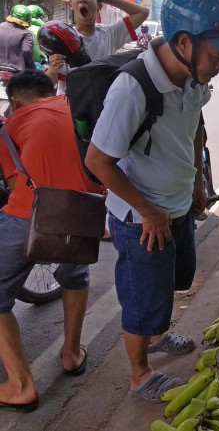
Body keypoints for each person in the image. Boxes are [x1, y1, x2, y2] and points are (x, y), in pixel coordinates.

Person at [84, 0, 219, 402]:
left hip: (177, 206)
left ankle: (158, 336)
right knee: (143, 298)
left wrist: (197, 182)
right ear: (184, 43)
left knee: (172, 282)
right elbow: (97, 161)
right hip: (140, 218)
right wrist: (148, 211)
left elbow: (195, 128)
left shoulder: (192, 78)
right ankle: (140, 374)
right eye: (216, 56)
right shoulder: (133, 88)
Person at [0, 70, 102, 412]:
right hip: (85, 212)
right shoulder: (74, 107)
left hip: (32, 215)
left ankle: (21, 385)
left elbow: (16, 186)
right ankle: (72, 354)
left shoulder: (10, 124)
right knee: (75, 276)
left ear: (16, 102)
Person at [45, 0, 149, 92]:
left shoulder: (110, 34)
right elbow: (45, 86)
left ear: (99, 6)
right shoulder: (63, 37)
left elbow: (142, 12)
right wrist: (52, 70)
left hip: (102, 105)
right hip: (68, 107)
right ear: (70, 4)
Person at [0, 5, 35, 72]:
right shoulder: (26, 34)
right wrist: (32, 68)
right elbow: (26, 51)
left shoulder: (1, 26)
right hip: (16, 70)